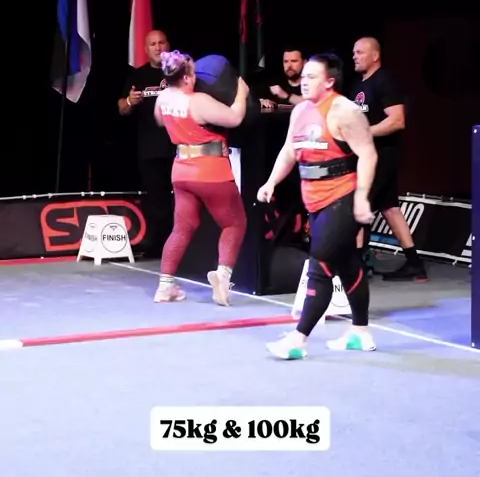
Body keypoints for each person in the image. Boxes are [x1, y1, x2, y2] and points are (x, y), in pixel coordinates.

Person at [257, 52, 378, 359]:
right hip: (314, 200)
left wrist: (362, 197)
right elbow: (289, 151)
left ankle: (298, 340)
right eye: (304, 76)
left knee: (320, 266)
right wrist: (271, 182)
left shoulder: (345, 111)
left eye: (312, 77)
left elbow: (368, 154)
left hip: (343, 197)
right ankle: (361, 332)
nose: (304, 81)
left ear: (329, 81)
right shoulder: (300, 111)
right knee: (348, 265)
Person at [153, 50, 249, 305]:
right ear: (185, 78)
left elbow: (161, 122)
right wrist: (241, 91)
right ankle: (222, 276)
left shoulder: (162, 99)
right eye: (193, 73)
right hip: (210, 170)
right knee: (234, 223)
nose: (196, 78)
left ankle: (165, 286)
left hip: (181, 171)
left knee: (182, 228)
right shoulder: (198, 101)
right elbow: (235, 118)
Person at [351, 36, 427, 282]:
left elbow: (397, 120)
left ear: (375, 56)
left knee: (359, 205)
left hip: (382, 156)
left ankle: (356, 267)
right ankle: (415, 265)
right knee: (390, 209)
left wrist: (365, 133)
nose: (354, 56)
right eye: (354, 52)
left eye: (360, 52)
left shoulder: (385, 81)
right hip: (367, 156)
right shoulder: (358, 86)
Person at [118, 30, 175, 258]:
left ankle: (185, 245)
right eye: (153, 44)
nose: (158, 47)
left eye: (162, 42)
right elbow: (121, 108)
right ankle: (158, 245)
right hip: (150, 148)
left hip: (180, 146)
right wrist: (130, 101)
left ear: (168, 45)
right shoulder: (137, 76)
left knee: (182, 198)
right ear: (146, 49)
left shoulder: (180, 73)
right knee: (156, 199)